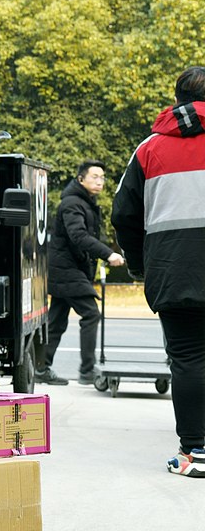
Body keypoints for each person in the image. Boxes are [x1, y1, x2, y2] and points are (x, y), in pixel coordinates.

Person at [112, 66, 205, 477]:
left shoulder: (149, 149)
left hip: (174, 272)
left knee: (186, 360)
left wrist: (139, 264)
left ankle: (196, 452)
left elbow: (123, 214)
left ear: (177, 98)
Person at [38, 160, 124, 386]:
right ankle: (87, 370)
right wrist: (108, 254)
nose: (99, 181)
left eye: (102, 177)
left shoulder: (85, 202)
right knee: (91, 314)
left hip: (68, 269)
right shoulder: (72, 204)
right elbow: (79, 236)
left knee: (56, 321)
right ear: (81, 179)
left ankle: (40, 367)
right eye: (94, 176)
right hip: (66, 270)